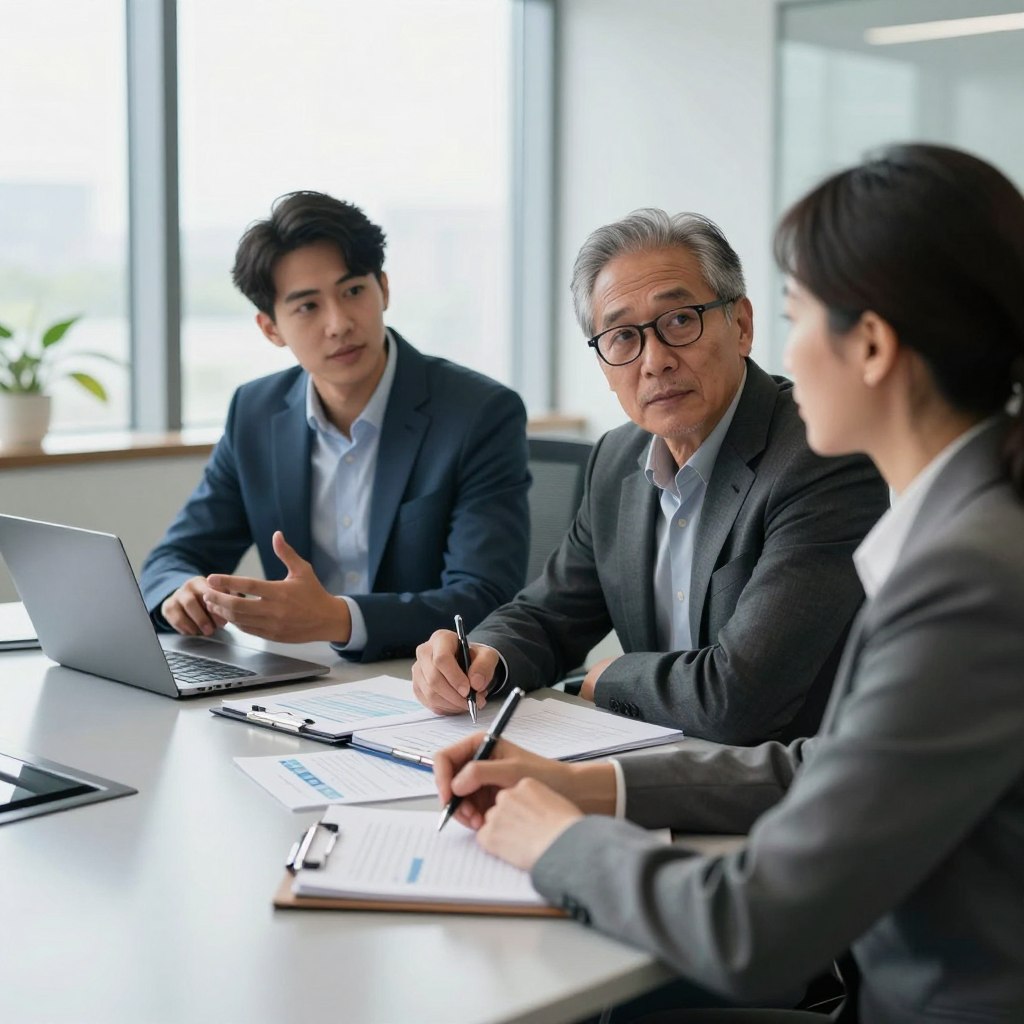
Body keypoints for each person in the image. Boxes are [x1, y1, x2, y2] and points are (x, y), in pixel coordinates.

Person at [433, 143, 1024, 1022]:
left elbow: (754, 926)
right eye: (622, 338)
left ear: (868, 344)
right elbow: (827, 768)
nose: (655, 358)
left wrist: (562, 841)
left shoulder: (966, 578)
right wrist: (595, 788)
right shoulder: (968, 531)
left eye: (791, 315)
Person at [414, 209, 888, 742]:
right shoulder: (618, 457)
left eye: (681, 320)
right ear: (603, 362)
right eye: (622, 337)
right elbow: (551, 614)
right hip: (654, 764)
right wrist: (483, 658)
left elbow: (740, 698)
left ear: (743, 326)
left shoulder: (820, 453)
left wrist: (607, 678)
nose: (655, 360)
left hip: (783, 792)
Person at [139, 191, 530, 662]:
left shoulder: (478, 413)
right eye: (307, 307)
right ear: (271, 328)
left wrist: (338, 619)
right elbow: (171, 559)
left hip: (424, 684)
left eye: (353, 291)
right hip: (295, 679)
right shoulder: (255, 412)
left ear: (383, 288)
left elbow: (485, 598)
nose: (339, 323)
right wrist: (180, 594)